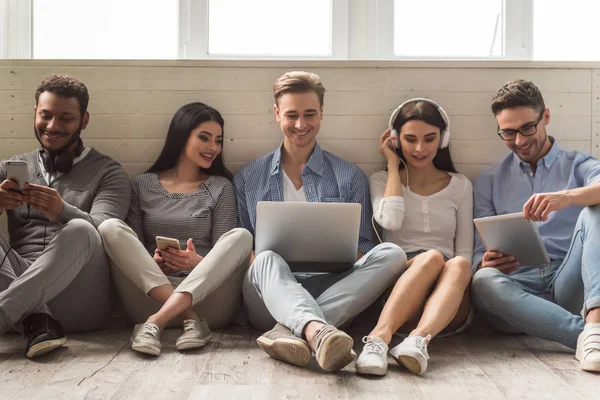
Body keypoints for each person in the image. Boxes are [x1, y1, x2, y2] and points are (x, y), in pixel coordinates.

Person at [234, 71, 407, 372]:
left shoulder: (350, 176)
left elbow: (365, 246)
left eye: (310, 114)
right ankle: (317, 331)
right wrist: (264, 260)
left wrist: (340, 253)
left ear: (322, 113)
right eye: (292, 115)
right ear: (276, 114)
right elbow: (239, 250)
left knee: (392, 254)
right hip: (270, 297)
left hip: (332, 289)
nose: (301, 125)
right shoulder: (248, 178)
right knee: (265, 259)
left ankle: (295, 332)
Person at [98, 102, 252, 356]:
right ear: (181, 136)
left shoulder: (220, 187)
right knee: (110, 227)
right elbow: (132, 253)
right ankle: (188, 318)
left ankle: (157, 323)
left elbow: (223, 261)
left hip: (208, 303)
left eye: (218, 140)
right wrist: (156, 262)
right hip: (149, 299)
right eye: (204, 137)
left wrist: (195, 262)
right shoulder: (141, 185)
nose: (213, 147)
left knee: (241, 237)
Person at [471, 79, 600, 372]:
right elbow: (479, 254)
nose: (519, 140)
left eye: (528, 128)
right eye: (508, 132)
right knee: (482, 282)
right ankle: (587, 336)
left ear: (546, 117)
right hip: (516, 289)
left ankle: (594, 326)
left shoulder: (577, 164)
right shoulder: (489, 180)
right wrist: (485, 263)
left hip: (569, 282)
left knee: (596, 212)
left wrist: (566, 198)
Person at [0, 74, 130, 358]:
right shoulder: (11, 168)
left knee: (81, 229)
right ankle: (37, 322)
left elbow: (108, 233)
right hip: (21, 291)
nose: (52, 126)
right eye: (45, 115)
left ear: (83, 120)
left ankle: (6, 313)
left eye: (65, 118)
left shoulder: (109, 173)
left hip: (81, 298)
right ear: (35, 112)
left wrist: (62, 211)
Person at [355, 98, 473, 376]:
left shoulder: (461, 185)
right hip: (398, 286)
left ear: (443, 139)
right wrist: (393, 166)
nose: (420, 149)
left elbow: (465, 253)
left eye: (429, 139)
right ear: (396, 140)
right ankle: (378, 339)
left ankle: (418, 341)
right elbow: (391, 221)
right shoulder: (382, 180)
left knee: (459, 264)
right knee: (430, 257)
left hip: (447, 302)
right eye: (410, 139)